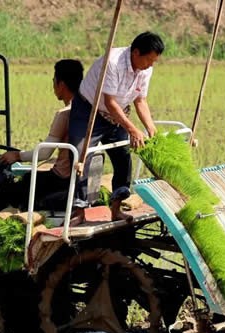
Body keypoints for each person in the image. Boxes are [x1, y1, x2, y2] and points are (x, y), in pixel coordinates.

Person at [69, 31, 165, 226]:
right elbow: (109, 102)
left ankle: (116, 208)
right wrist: (132, 129)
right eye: (148, 60)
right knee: (81, 155)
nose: (151, 65)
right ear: (136, 53)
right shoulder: (113, 62)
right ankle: (79, 211)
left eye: (154, 61)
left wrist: (150, 128)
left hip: (117, 113)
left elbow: (140, 100)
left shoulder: (146, 69)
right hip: (90, 110)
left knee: (123, 157)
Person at [0, 59, 84, 209]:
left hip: (62, 179)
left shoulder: (64, 114)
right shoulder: (88, 110)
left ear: (61, 84)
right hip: (78, 177)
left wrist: (17, 156)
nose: (53, 86)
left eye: (53, 81)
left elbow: (44, 153)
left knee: (9, 189)